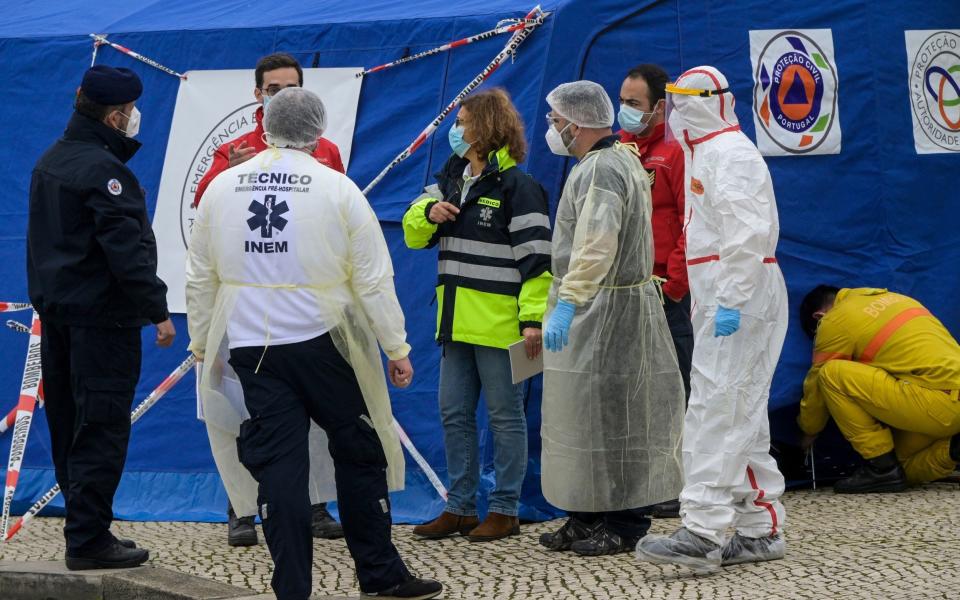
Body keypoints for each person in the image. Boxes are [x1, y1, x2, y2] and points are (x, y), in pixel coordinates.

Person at [186, 87, 441, 600]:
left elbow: (200, 276)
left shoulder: (222, 188)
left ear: (265, 127)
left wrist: (202, 343)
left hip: (251, 346)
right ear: (318, 131)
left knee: (278, 465)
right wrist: (396, 346)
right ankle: (380, 573)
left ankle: (292, 588)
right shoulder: (338, 189)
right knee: (360, 451)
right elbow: (372, 277)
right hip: (324, 341)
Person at [636, 66, 788, 573]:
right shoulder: (709, 152)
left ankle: (701, 530)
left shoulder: (730, 154)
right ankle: (759, 526)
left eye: (683, 100)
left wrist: (731, 299)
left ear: (705, 103)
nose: (675, 109)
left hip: (738, 295)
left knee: (716, 407)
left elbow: (746, 233)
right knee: (738, 408)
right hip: (725, 293)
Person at [27, 65, 176, 570]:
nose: (134, 119)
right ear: (116, 116)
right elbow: (126, 250)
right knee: (102, 425)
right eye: (131, 112)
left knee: (70, 422)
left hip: (60, 318)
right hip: (103, 321)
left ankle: (85, 527)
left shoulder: (52, 160)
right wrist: (157, 310)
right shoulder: (104, 171)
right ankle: (88, 540)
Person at [193, 52, 344, 545]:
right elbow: (203, 214)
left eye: (292, 87)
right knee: (233, 408)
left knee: (316, 410)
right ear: (257, 93)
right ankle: (241, 508)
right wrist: (225, 176)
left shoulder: (326, 150)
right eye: (274, 87)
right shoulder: (234, 151)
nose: (283, 95)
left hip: (305, 308)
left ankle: (316, 503)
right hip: (244, 312)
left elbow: (342, 218)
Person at [538, 81, 685, 557]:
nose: (552, 128)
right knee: (585, 420)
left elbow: (596, 244)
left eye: (555, 120)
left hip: (607, 310)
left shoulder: (603, 170)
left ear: (576, 123)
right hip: (597, 308)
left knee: (618, 419)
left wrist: (569, 300)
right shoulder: (612, 160)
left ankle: (625, 521)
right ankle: (586, 514)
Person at [403, 88, 552, 542]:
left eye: (463, 121)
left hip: (503, 327)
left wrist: (533, 321)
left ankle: (505, 509)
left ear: (486, 127)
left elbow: (539, 264)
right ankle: (461, 507)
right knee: (454, 414)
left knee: (505, 418)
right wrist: (430, 212)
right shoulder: (450, 176)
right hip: (455, 323)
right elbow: (412, 233)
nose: (455, 129)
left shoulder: (519, 187)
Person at [617, 62, 693, 521]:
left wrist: (676, 285)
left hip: (664, 292)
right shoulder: (620, 150)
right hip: (624, 293)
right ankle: (642, 481)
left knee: (671, 389)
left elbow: (691, 220)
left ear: (660, 106)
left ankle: (678, 483)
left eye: (634, 104)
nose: (626, 111)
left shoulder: (676, 153)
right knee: (634, 392)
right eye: (622, 102)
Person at [797, 285, 960, 492]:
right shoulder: (899, 299)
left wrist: (808, 431)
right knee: (901, 468)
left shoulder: (834, 320)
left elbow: (815, 390)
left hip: (937, 403)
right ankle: (954, 448)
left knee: (831, 374)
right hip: (943, 402)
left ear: (819, 317)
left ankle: (881, 468)